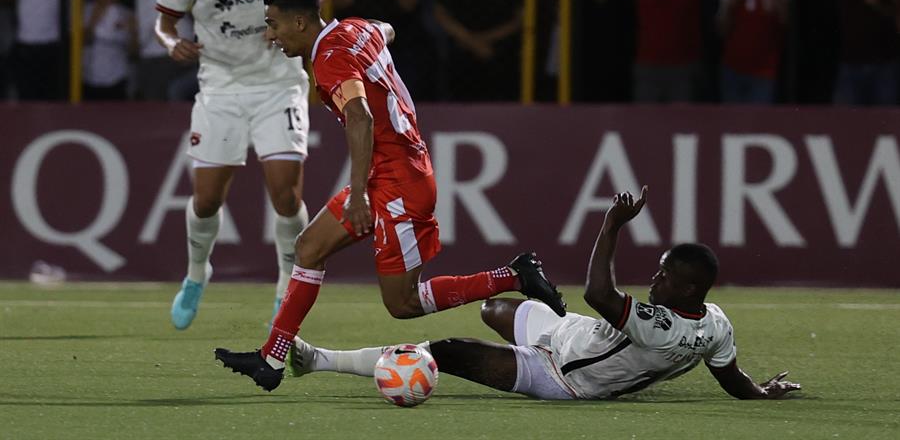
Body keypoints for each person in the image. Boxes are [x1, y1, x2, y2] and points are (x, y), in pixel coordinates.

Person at [214, 0, 566, 392]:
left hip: (398, 181)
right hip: (391, 171)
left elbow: (360, 116)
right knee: (309, 248)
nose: (269, 35)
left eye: (274, 24)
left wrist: (359, 192)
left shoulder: (328, 58)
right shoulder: (356, 29)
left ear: (299, 21)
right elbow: (387, 30)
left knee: (403, 303)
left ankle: (515, 276)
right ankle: (270, 358)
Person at [286, 187, 802, 402]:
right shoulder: (714, 322)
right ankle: (530, 288)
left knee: (444, 353)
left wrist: (612, 224)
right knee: (496, 308)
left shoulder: (658, 323)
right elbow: (730, 376)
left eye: (666, 275)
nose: (657, 278)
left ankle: (320, 360)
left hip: (558, 375)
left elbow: (601, 294)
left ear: (687, 286)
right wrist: (760, 393)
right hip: (566, 332)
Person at [154, 0, 334, 330]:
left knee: (284, 192)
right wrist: (173, 43)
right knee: (207, 200)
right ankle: (197, 273)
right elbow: (165, 21)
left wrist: (304, 18)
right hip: (221, 87)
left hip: (278, 82)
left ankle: (285, 286)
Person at [717, 0, 789, 104]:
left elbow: (788, 23)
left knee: (758, 123)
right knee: (732, 123)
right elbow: (722, 30)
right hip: (732, 68)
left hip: (765, 70)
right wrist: (733, 0)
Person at [82, 0, 137, 100]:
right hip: (88, 80)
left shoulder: (127, 15)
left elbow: (133, 52)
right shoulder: (85, 11)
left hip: (116, 79)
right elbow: (82, 40)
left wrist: (133, 34)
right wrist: (94, 20)